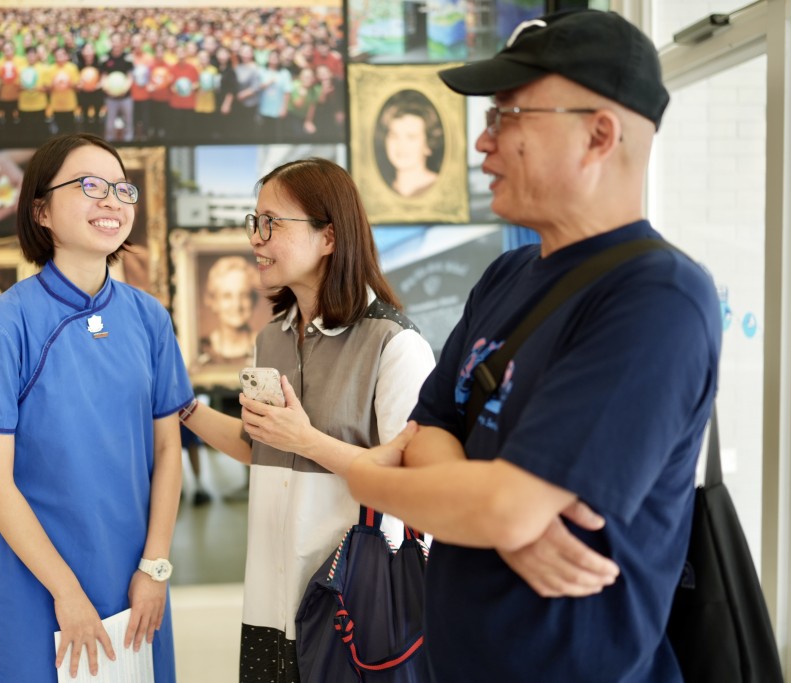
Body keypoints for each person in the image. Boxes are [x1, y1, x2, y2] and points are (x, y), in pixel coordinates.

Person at [345, 10, 723, 682]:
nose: (482, 145)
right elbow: (429, 427)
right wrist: (500, 514)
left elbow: (497, 500)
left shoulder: (657, 298)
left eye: (508, 116)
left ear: (598, 134)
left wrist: (364, 476)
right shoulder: (509, 274)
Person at [179, 157, 436, 683]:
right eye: (255, 222)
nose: (257, 238)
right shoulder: (271, 336)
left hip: (351, 604)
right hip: (269, 599)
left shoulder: (396, 344)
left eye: (272, 223)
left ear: (329, 237)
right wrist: (182, 407)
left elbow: (412, 485)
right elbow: (263, 447)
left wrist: (308, 440)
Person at [0, 133, 191, 682]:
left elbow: (167, 447)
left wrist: (154, 568)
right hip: (39, 583)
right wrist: (66, 593)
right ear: (41, 211)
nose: (110, 200)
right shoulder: (2, 326)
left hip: (136, 574)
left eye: (121, 189)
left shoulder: (149, 318)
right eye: (89, 186)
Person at [374, 89, 444, 198]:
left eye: (411, 137)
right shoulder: (379, 192)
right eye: (394, 136)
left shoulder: (441, 188)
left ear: (428, 145)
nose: (401, 145)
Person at [196, 255, 260, 368]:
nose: (237, 305)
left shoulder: (265, 347)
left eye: (244, 295)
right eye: (227, 296)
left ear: (253, 300)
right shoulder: (198, 350)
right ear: (213, 301)